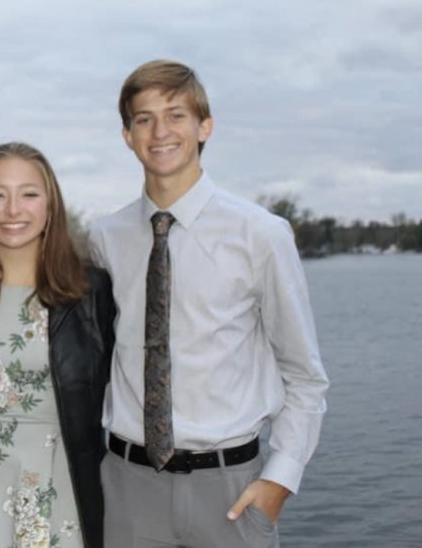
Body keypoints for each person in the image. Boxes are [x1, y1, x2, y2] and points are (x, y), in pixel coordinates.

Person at [89, 59, 330, 547]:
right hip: (129, 487)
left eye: (177, 115)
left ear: (205, 127)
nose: (161, 131)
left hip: (231, 489)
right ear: (127, 135)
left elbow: (304, 375)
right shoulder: (104, 238)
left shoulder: (261, 234)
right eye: (144, 118)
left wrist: (280, 479)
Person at [0, 142, 117, 548]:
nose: (13, 210)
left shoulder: (92, 293)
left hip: (63, 484)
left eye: (29, 194)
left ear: (51, 207)